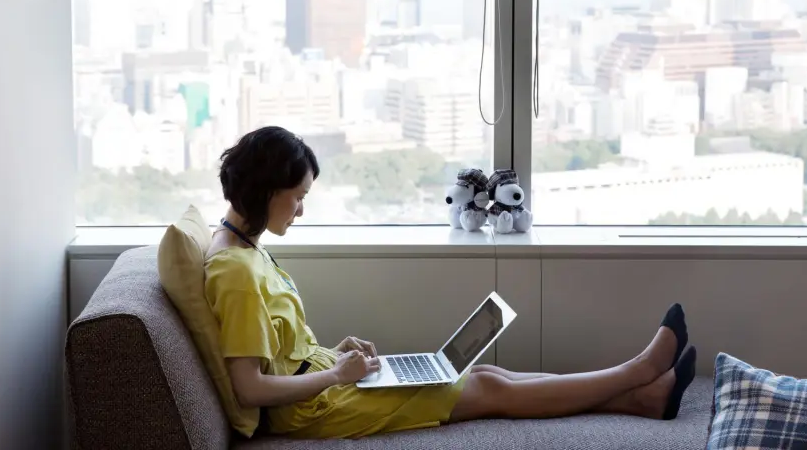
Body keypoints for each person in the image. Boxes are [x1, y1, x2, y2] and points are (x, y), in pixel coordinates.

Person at [204, 126, 698, 440]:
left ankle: (643, 398)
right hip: (313, 408)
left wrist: (335, 354)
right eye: (296, 197)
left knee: (493, 375)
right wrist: (337, 376)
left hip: (321, 382)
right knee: (487, 385)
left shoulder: (244, 248)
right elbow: (248, 388)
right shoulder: (236, 272)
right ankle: (636, 372)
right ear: (266, 189)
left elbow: (278, 349)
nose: (302, 209)